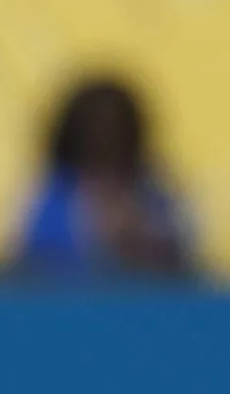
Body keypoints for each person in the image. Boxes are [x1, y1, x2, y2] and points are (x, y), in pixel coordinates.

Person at [14, 73, 196, 280]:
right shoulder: (45, 199)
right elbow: (30, 266)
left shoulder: (156, 198)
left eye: (114, 130)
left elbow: (184, 266)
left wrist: (138, 237)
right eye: (95, 130)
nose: (105, 140)